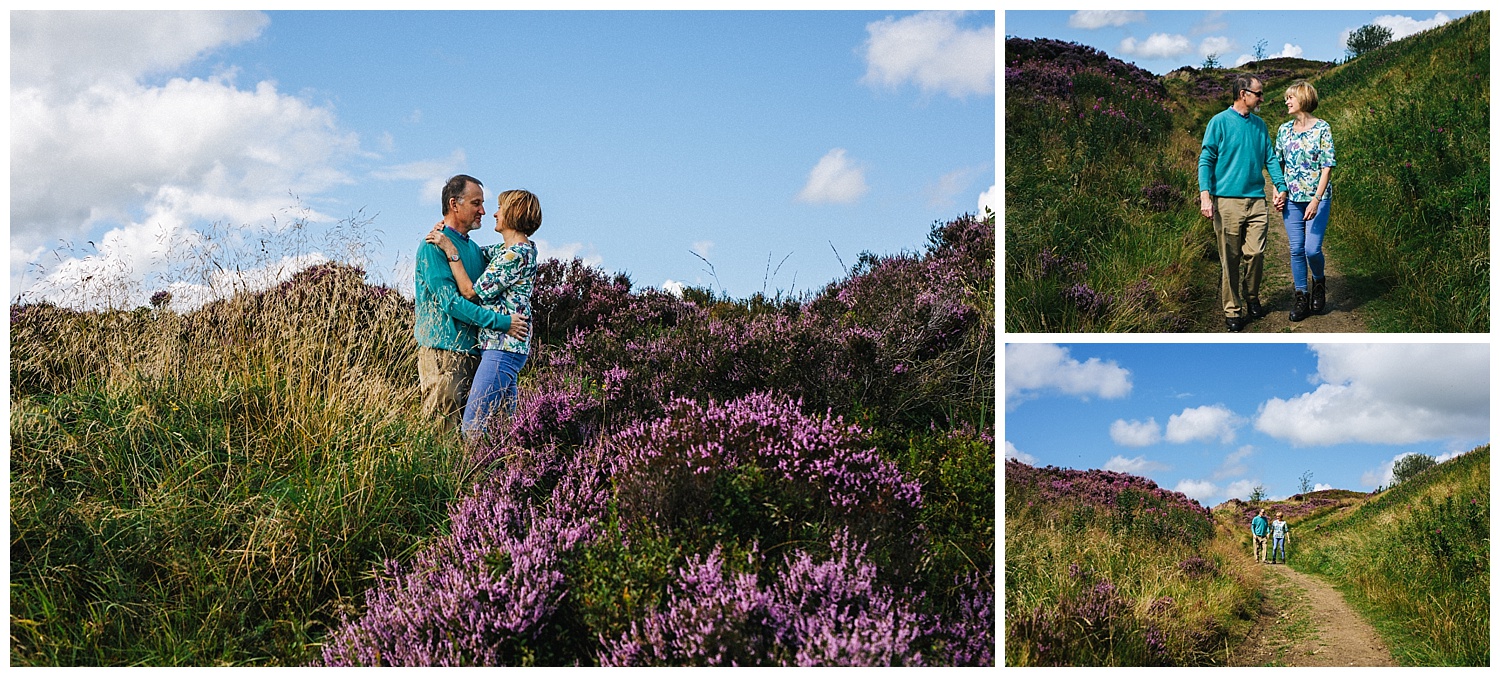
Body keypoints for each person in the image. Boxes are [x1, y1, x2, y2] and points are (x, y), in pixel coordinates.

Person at [414, 175, 529, 432]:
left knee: (476, 432)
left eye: (484, 203)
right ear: (455, 204)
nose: (484, 211)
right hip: (444, 352)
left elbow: (515, 252)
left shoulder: (475, 250)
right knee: (441, 435)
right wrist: (502, 323)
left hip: (476, 352)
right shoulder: (432, 247)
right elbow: (451, 303)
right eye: (476, 203)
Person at [1199, 75, 1288, 332]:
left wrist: (1280, 186)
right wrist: (1206, 195)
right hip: (1227, 202)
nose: (1262, 98)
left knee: (1256, 254)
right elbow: (1206, 160)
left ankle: (1252, 296)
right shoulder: (1219, 122)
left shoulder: (1260, 126)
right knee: (1231, 258)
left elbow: (1270, 159)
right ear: (1242, 94)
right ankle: (1233, 309)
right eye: (1258, 93)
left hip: (1257, 201)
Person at [1275, 80, 1337, 321]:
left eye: (1290, 98)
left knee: (1312, 249)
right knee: (1296, 249)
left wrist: (1316, 199)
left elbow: (1327, 166)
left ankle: (1319, 282)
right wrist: (1277, 190)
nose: (1287, 102)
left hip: (1317, 199)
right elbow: (1277, 163)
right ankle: (1301, 296)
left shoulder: (1322, 128)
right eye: (1286, 99)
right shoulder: (1283, 130)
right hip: (1291, 200)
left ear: (1304, 98)